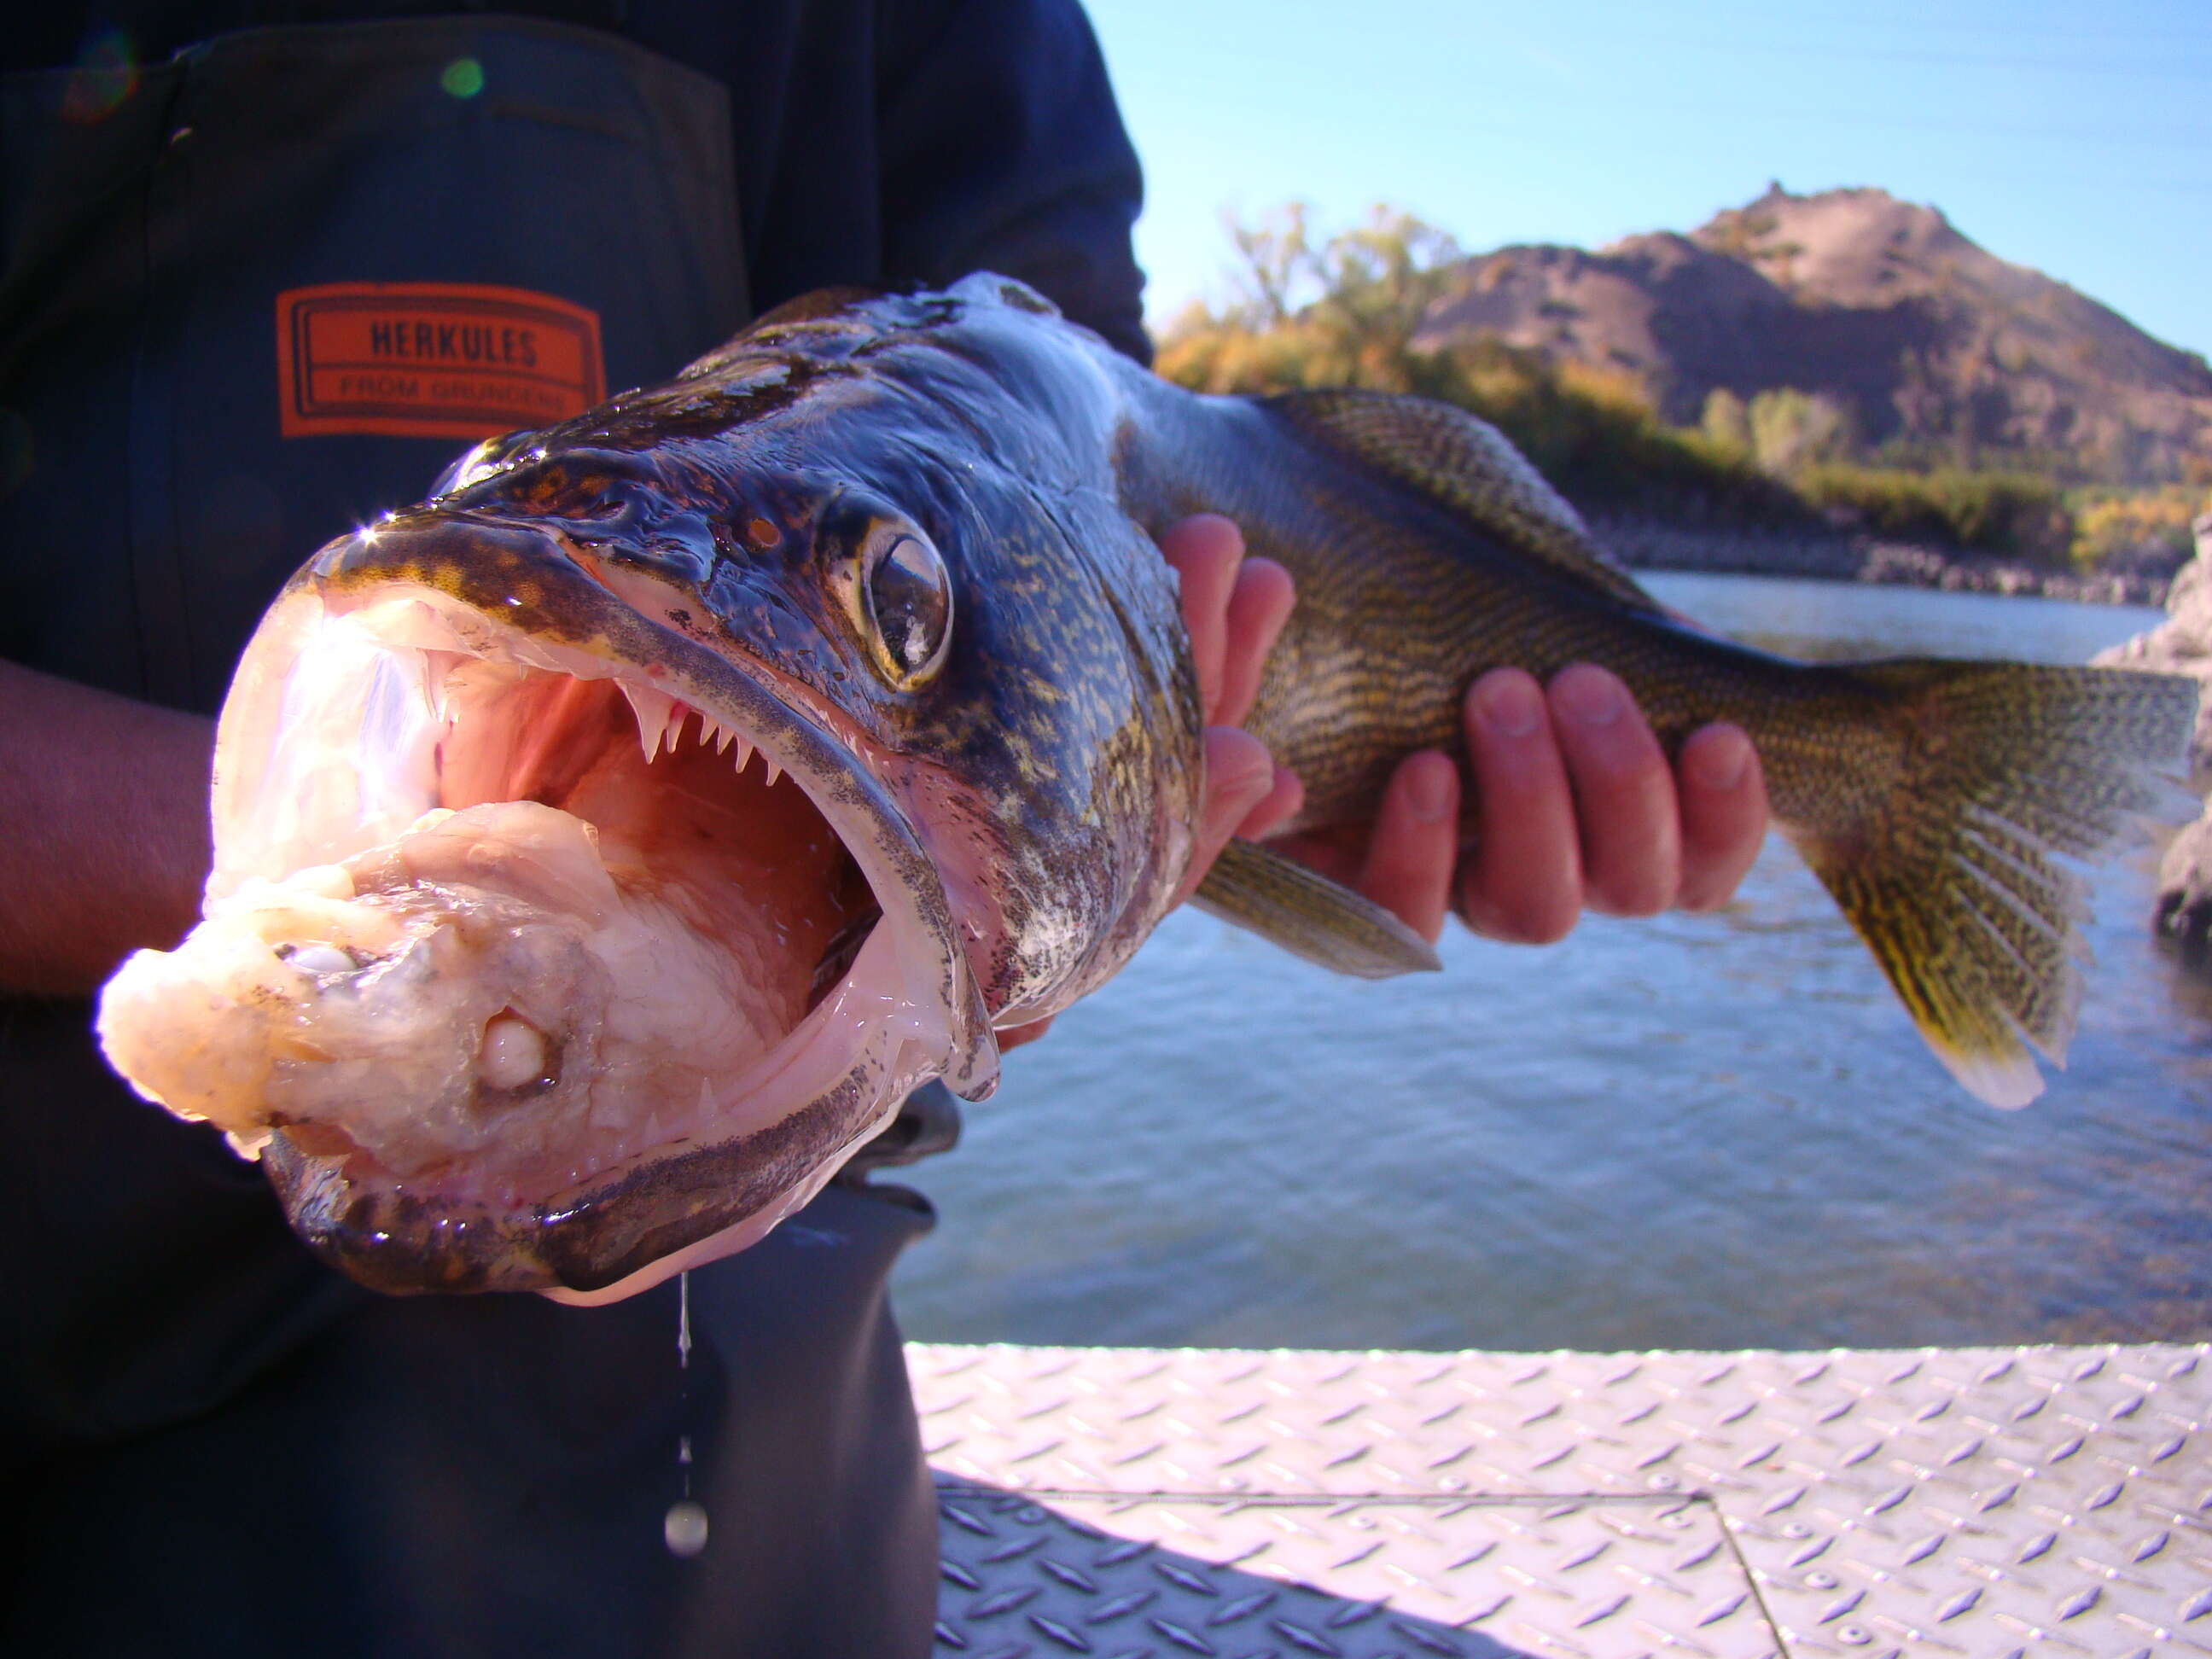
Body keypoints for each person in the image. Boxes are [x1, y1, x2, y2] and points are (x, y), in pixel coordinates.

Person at [0, 3, 1767, 1652]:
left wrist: (1182, 802)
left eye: (891, 607)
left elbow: (1093, 539)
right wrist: (377, 901)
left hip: (705, 1452)